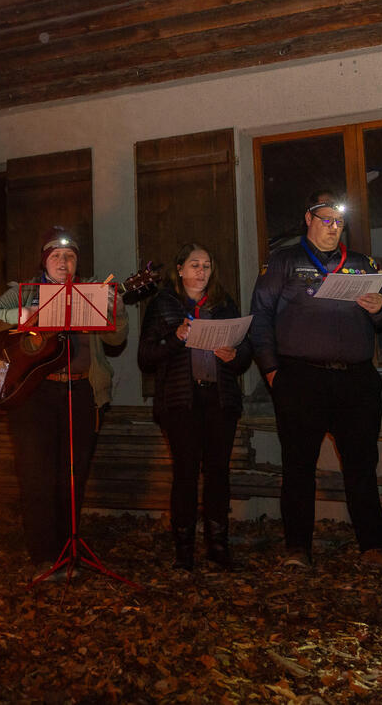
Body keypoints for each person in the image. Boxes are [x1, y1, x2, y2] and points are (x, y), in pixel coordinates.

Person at [250, 193, 382, 570]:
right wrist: (273, 373)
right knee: (299, 466)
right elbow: (260, 318)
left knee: (361, 466)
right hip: (300, 378)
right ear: (308, 219)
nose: (333, 227)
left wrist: (381, 309)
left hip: (356, 380)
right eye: (326, 220)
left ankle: (372, 547)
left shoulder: (361, 264)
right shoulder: (284, 263)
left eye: (339, 222)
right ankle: (297, 549)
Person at [0, 227, 128, 576]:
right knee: (36, 475)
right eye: (56, 255)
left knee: (73, 475)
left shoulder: (95, 292)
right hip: (33, 394)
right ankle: (44, 556)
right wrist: (18, 316)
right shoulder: (25, 292)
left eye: (70, 255)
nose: (64, 261)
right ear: (45, 261)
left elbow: (119, 337)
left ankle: (68, 551)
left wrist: (113, 310)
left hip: (81, 391)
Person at [138, 243, 252, 571]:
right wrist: (175, 337)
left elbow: (245, 350)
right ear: (180, 269)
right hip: (180, 404)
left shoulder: (223, 303)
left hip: (220, 401)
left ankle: (218, 547)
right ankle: (184, 552)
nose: (201, 272)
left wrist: (235, 356)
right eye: (194, 265)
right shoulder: (164, 304)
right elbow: (145, 356)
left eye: (206, 265)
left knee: (218, 474)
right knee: (185, 475)